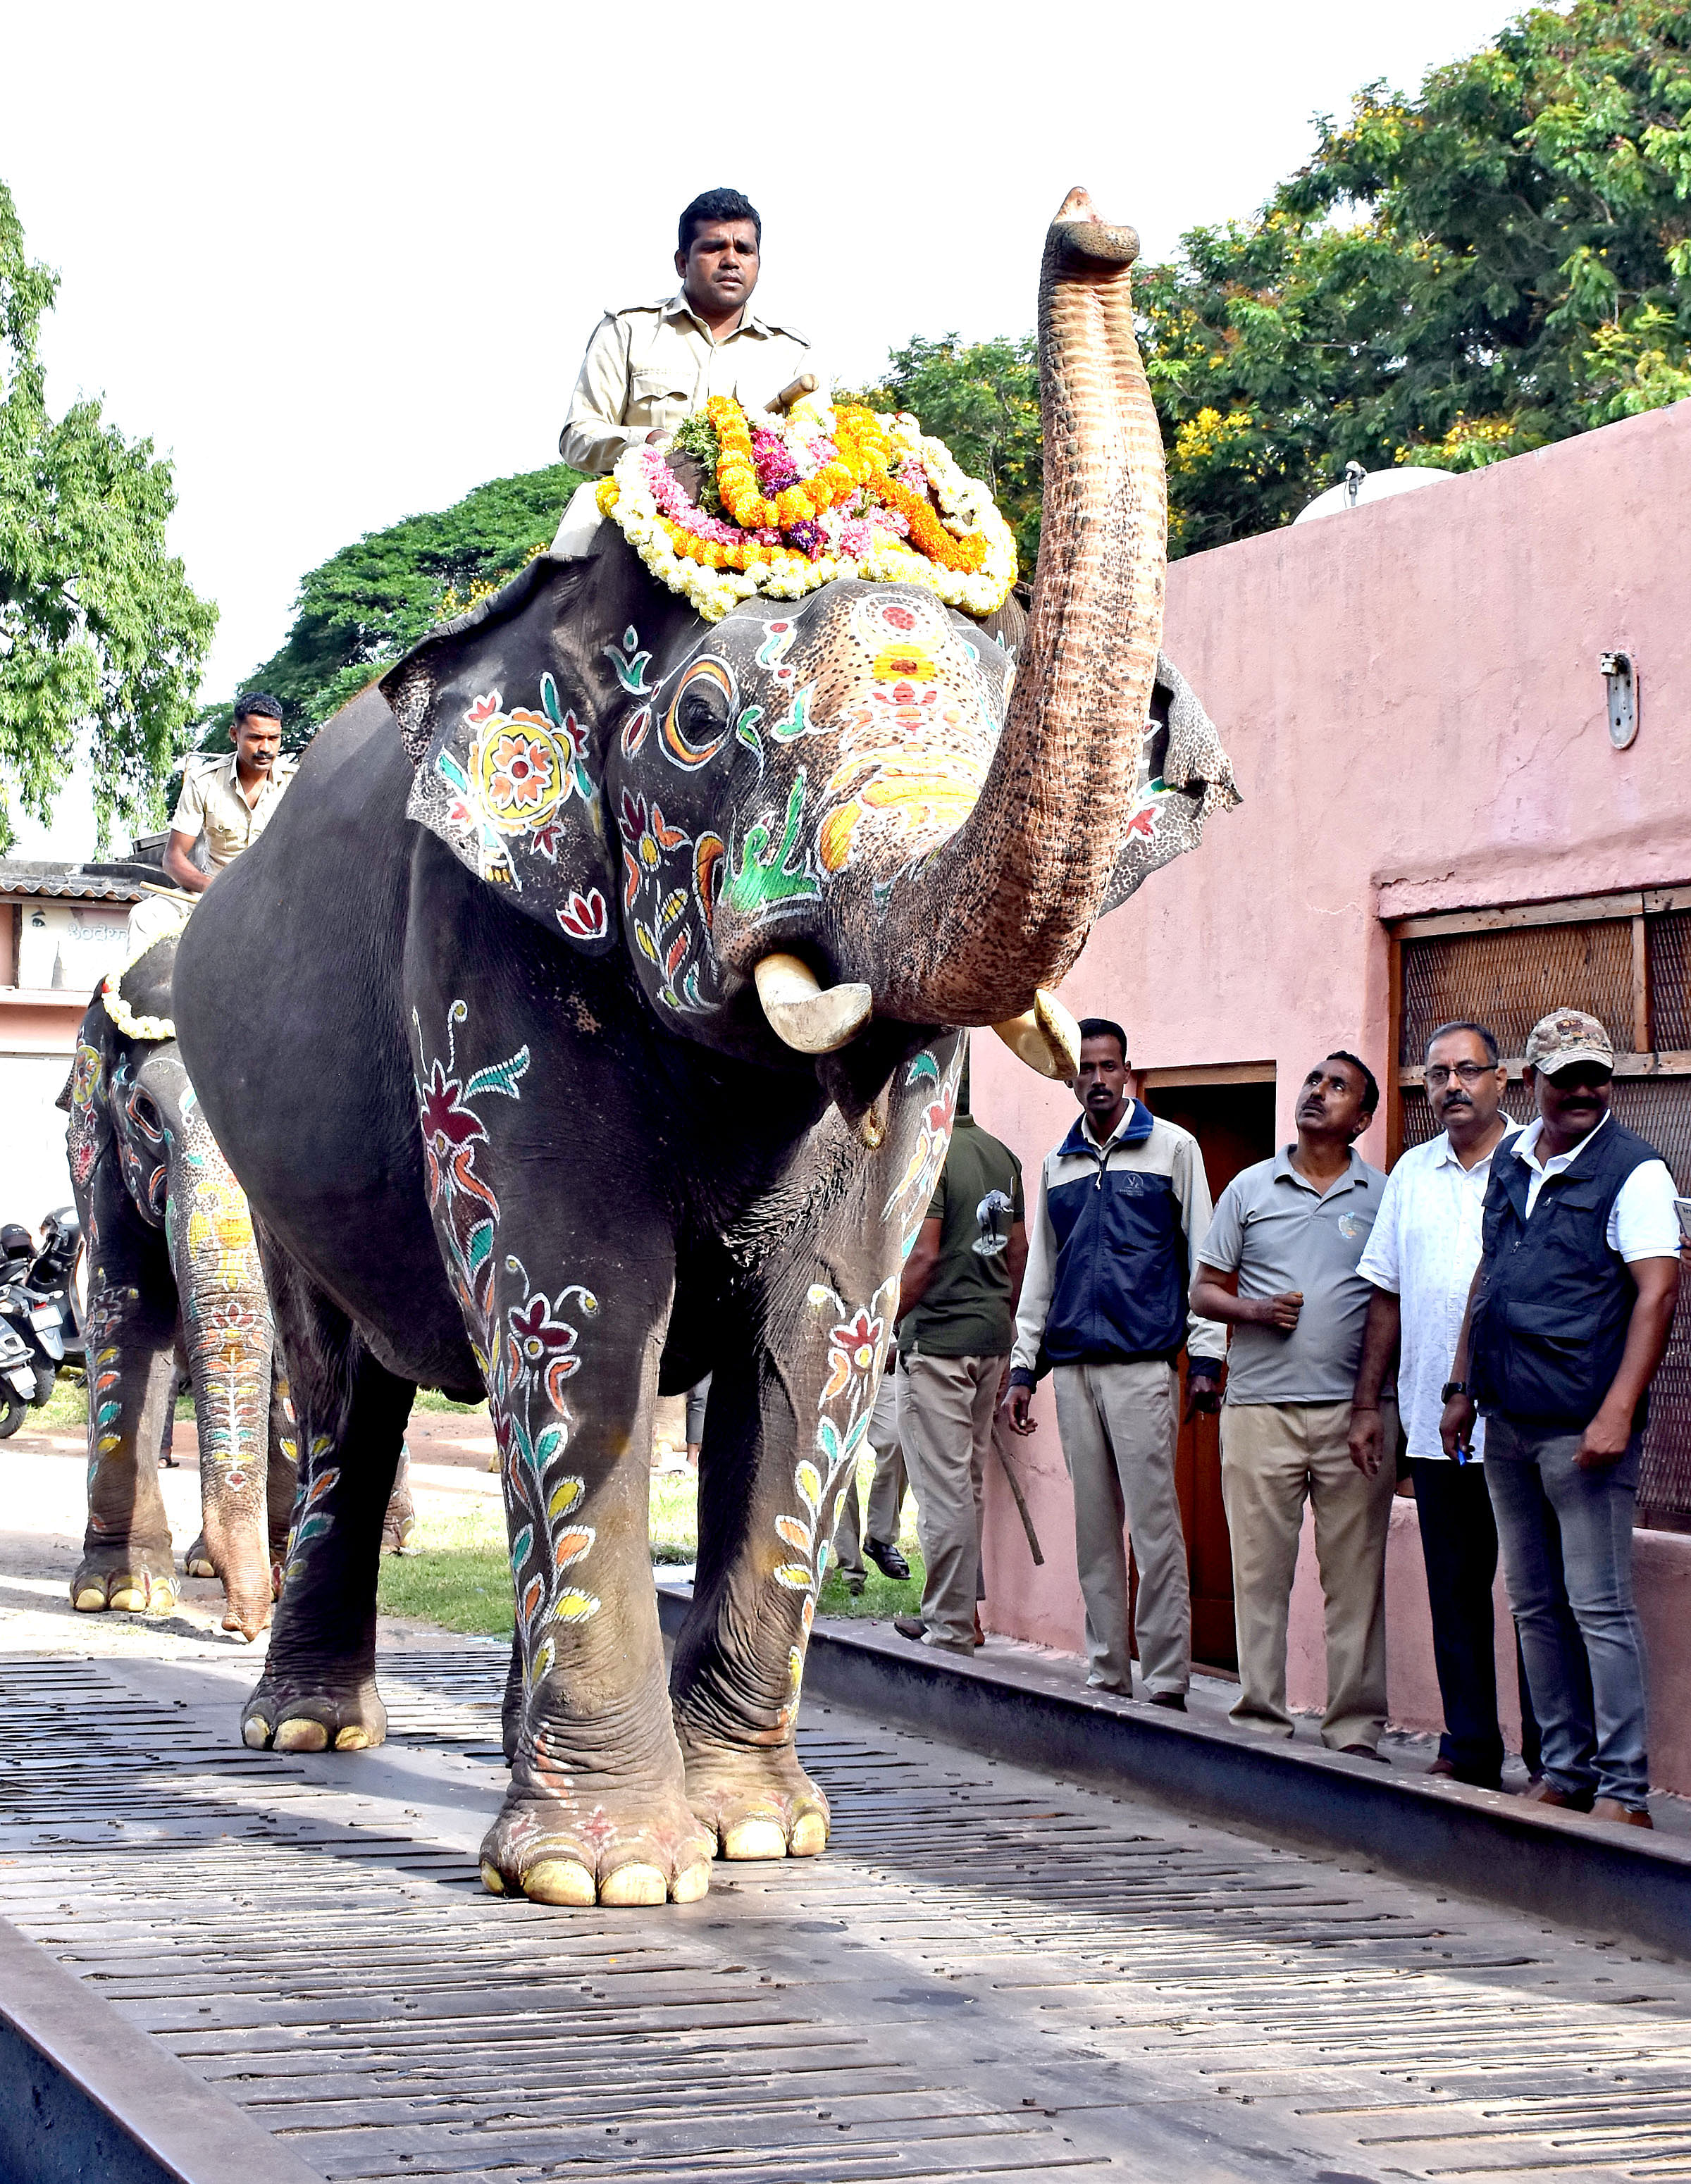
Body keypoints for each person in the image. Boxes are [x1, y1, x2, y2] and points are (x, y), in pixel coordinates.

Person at [1442, 1009, 1680, 1828]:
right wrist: (1461, 1386)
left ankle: (1623, 1789)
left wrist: (1618, 1411)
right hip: (1506, 1419)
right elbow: (1489, 1276)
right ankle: (1566, 1769)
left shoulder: (1636, 1171)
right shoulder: (1513, 1158)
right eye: (1567, 1076)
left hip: (1584, 1426)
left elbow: (1658, 1293)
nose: (1584, 1090)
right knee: (1534, 1602)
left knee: (1600, 1606)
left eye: (1596, 1076)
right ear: (1533, 1081)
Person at [1005, 1019, 1224, 1706]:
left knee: (1155, 1529)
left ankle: (1165, 1679)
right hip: (1073, 1371)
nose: (1097, 1080)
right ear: (1072, 1078)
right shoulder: (1057, 1164)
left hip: (1142, 1368)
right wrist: (1021, 1368)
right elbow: (1041, 1271)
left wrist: (1208, 1358)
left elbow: (1204, 1261)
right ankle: (1107, 1670)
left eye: (1109, 1067)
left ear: (1129, 1071)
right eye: (1086, 1070)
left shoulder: (1173, 1149)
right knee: (1094, 1531)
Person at [1350, 1021, 1541, 1788]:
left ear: (1504, 1080)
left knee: (1538, 1599)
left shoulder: (1535, 1163)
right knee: (1455, 1593)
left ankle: (1555, 1760)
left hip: (1522, 1422)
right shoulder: (1412, 1172)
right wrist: (1371, 1402)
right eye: (1437, 1074)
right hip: (1436, 1427)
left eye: (1469, 1071)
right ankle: (1470, 1749)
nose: (1452, 1086)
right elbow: (1386, 1294)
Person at [1191, 1054, 1396, 1756]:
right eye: (1314, 1080)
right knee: (1259, 1573)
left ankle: (1356, 1727)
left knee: (1356, 1578)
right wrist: (1252, 1308)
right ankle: (1260, 1717)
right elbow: (1204, 1290)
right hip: (1259, 1411)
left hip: (1356, 1415)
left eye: (1337, 1087)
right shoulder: (1250, 1186)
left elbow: (1394, 1300)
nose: (1317, 1092)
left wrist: (1378, 1402)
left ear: (1362, 1119)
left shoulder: (1384, 1195)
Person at [889, 1061, 1026, 1652]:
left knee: (942, 1489)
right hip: (990, 1339)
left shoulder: (932, 1155)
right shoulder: (1002, 1156)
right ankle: (959, 1615)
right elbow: (1016, 1250)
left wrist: (882, 1322)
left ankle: (947, 1629)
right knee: (965, 1484)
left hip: (938, 1343)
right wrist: (1003, 1314)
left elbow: (922, 1257)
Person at [559, 188, 822, 479]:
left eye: (744, 250)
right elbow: (578, 437)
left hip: (760, 518)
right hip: (640, 512)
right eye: (714, 247)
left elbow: (821, 450)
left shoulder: (791, 353)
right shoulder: (629, 331)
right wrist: (647, 444)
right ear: (682, 263)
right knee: (578, 522)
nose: (731, 261)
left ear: (758, 264)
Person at [163, 693, 296, 895]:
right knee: (144, 916)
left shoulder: (297, 781)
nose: (266, 748)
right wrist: (211, 889)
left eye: (273, 738)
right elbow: (174, 857)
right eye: (255, 738)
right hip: (212, 895)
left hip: (277, 897)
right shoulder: (203, 781)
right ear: (234, 734)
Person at [832, 1353, 911, 1594]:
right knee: (837, 1455)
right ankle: (849, 1572)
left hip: (884, 1353)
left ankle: (880, 1537)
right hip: (829, 1355)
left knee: (898, 1437)